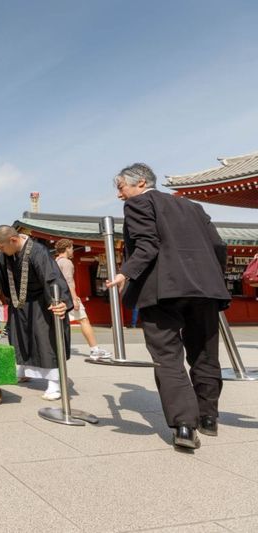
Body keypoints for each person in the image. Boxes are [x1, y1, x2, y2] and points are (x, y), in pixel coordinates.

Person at [107, 163, 230, 450]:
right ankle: (208, 417)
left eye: (120, 186)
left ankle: (185, 426)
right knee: (205, 352)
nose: (119, 194)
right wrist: (214, 277)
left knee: (167, 356)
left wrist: (126, 272)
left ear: (139, 183)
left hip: (163, 288)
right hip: (205, 288)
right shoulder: (191, 207)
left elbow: (147, 245)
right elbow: (218, 246)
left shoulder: (139, 203)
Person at [0, 226, 72, 400]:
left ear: (13, 240)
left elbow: (52, 277)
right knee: (20, 338)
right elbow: (0, 270)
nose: (0, 250)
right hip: (19, 302)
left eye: (2, 246)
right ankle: (24, 371)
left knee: (44, 340)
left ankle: (54, 384)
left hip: (41, 302)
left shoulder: (38, 251)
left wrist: (60, 301)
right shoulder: (5, 253)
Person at [54, 239, 111, 360]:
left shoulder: (55, 261)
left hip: (57, 297)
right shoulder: (67, 262)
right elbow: (69, 281)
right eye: (71, 247)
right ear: (67, 248)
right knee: (84, 320)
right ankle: (94, 350)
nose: (72, 250)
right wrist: (74, 298)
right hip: (68, 297)